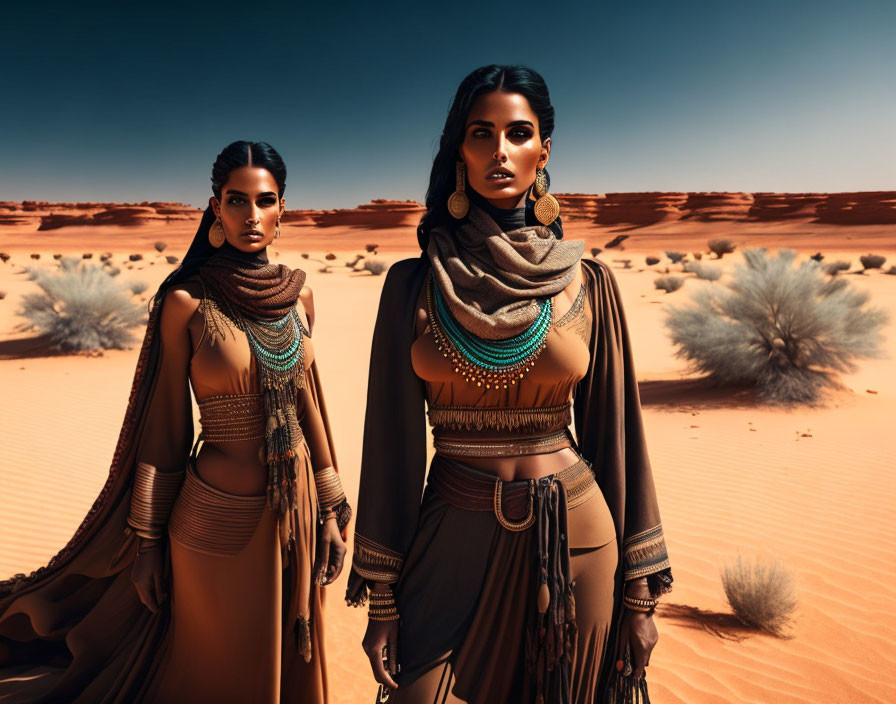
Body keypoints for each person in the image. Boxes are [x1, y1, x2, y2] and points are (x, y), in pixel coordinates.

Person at [346, 66, 672, 703]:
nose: (500, 150)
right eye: (481, 133)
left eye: (518, 133)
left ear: (543, 153)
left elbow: (618, 439)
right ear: (459, 151)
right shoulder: (412, 285)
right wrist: (381, 594)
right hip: (449, 543)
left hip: (577, 539)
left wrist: (639, 594)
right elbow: (389, 445)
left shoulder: (591, 282)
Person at [0, 141, 350, 704]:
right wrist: (146, 546)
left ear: (283, 207)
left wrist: (332, 509)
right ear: (215, 208)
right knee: (209, 669)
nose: (251, 215)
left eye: (265, 201)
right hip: (214, 520)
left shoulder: (300, 295)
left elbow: (309, 404)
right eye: (237, 201)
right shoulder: (185, 301)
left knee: (290, 661)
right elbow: (164, 432)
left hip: (297, 516)